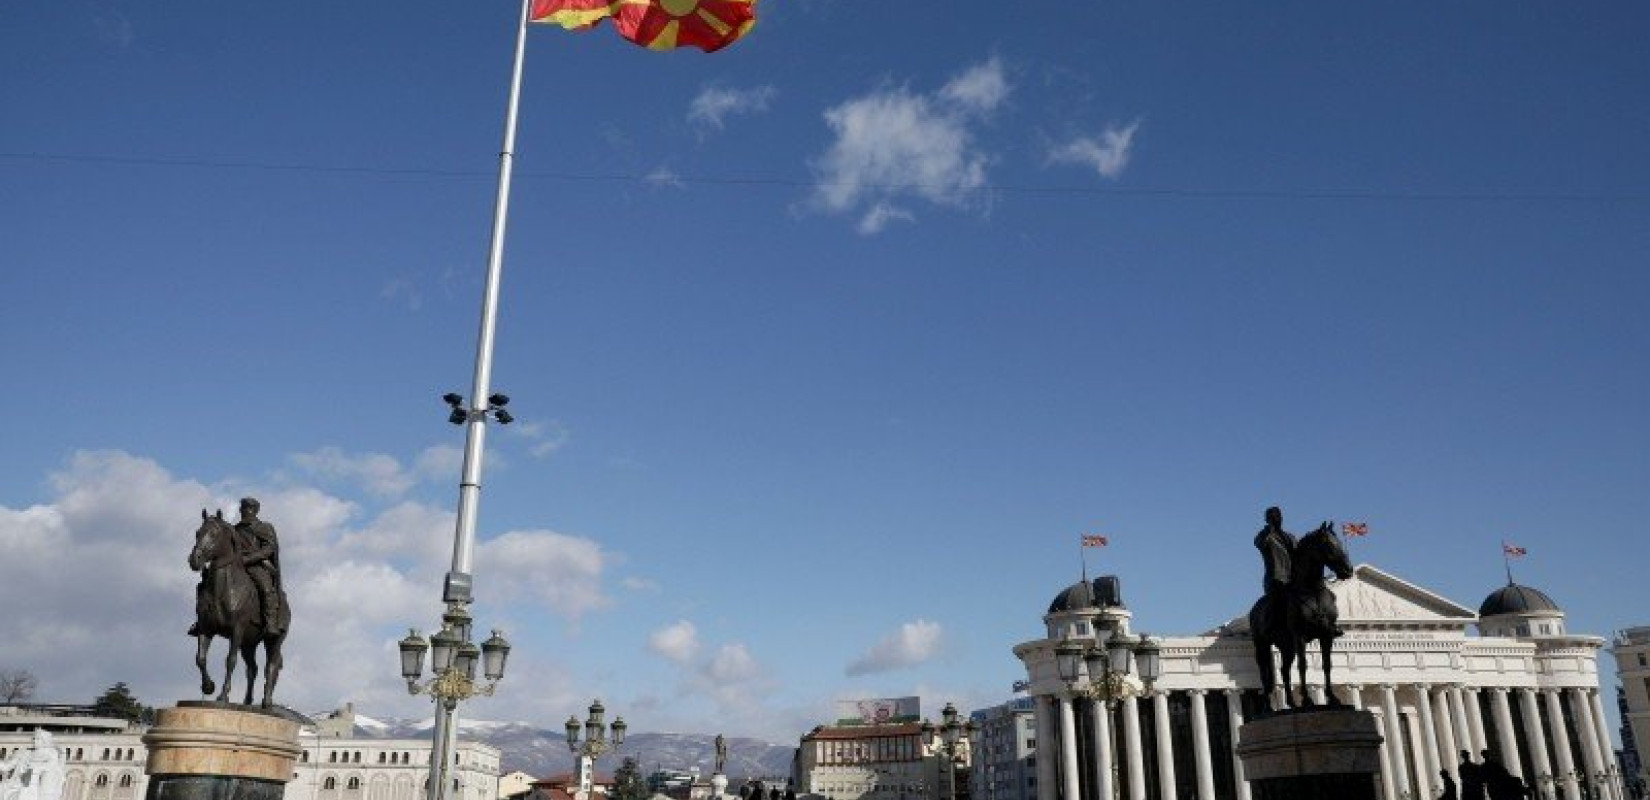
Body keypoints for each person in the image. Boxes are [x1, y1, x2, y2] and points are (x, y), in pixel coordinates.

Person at [236, 497, 286, 636]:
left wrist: (248, 558)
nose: (245, 511)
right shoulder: (235, 529)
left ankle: (270, 623)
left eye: (249, 508)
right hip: (235, 564)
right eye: (243, 508)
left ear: (255, 511)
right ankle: (203, 619)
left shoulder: (263, 527)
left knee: (266, 589)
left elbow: (269, 548)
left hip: (256, 565)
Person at [1254, 506, 1296, 635]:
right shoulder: (1265, 537)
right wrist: (1268, 531)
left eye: (1279, 516)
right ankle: (1269, 624)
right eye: (1273, 517)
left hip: (1293, 577)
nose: (1278, 519)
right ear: (1268, 520)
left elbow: (1299, 552)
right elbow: (1258, 543)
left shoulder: (1289, 536)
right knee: (1276, 600)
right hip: (1275, 578)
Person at [0, 729, 65, 800]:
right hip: (16, 783)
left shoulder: (51, 756)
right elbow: (6, 767)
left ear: (45, 741)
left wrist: (35, 769)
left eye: (38, 739)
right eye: (34, 739)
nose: (34, 741)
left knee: (22, 795)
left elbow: (53, 770)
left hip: (34, 787)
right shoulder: (24, 753)